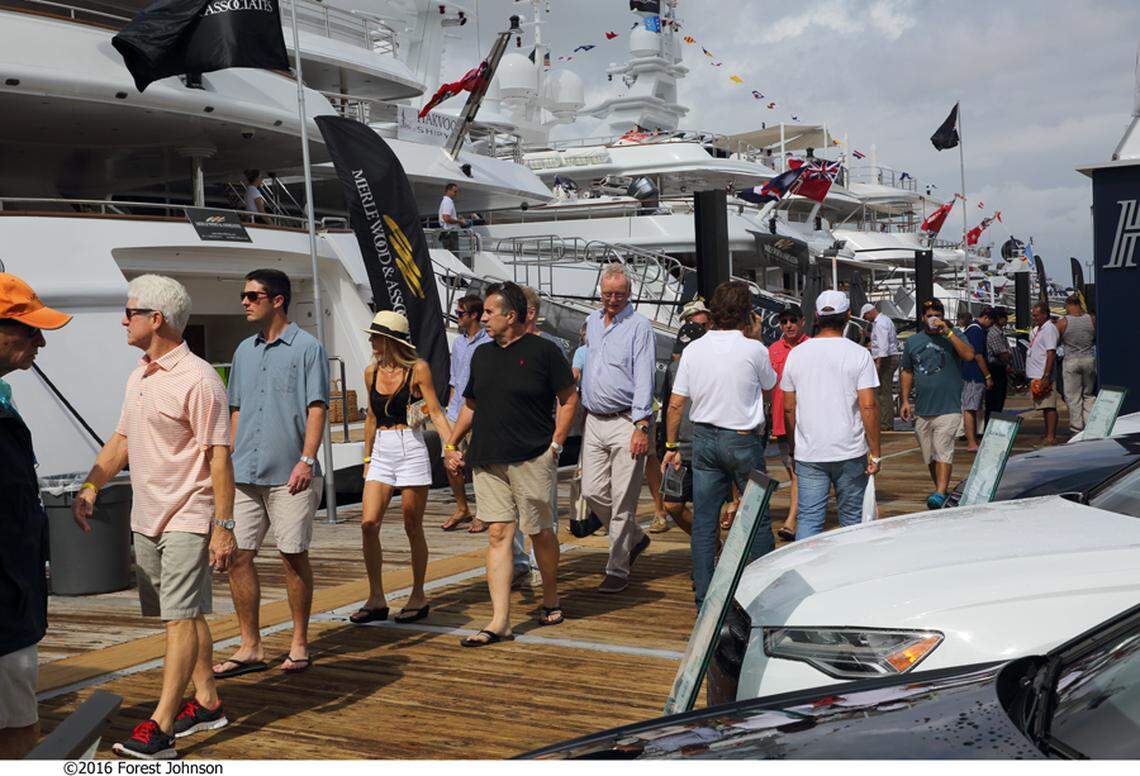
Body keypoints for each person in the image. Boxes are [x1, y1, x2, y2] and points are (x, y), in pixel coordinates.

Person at [73, 275, 235, 759]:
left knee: (179, 619)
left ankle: (161, 726)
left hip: (189, 512)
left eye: (130, 312)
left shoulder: (200, 379)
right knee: (183, 614)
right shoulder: (139, 373)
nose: (123, 320)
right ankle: (206, 700)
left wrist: (223, 528)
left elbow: (219, 457)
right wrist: (91, 485)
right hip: (147, 517)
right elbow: (121, 440)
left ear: (155, 319)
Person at [444, 282, 577, 645]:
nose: (483, 318)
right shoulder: (482, 355)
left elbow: (568, 399)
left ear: (511, 316)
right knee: (498, 533)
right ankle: (500, 620)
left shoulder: (545, 352)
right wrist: (452, 442)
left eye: (489, 312)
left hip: (533, 456)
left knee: (539, 532)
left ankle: (550, 594)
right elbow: (470, 404)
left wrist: (556, 444)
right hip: (488, 457)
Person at [212, 270, 328, 679]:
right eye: (243, 295)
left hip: (290, 472)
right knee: (238, 556)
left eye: (252, 295)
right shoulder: (244, 350)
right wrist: (226, 459)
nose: (244, 302)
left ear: (277, 300)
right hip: (245, 472)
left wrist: (307, 460)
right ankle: (251, 645)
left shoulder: (308, 348)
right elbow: (237, 409)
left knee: (292, 556)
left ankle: (299, 641)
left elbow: (317, 407)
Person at [664, 281, 777, 607]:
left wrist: (671, 447)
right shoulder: (754, 348)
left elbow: (675, 404)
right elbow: (770, 385)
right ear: (746, 314)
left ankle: (704, 600)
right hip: (742, 440)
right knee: (757, 520)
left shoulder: (693, 350)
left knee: (704, 524)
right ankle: (762, 599)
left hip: (703, 440)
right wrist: (754, 338)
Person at [0, 275, 71, 758]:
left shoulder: (4, 399)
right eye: (29, 330)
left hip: (15, 596)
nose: (40, 341)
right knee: (20, 734)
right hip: (5, 608)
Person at [349, 311, 452, 626]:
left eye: (375, 336)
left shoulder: (418, 369)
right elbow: (370, 418)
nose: (370, 341)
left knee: (412, 525)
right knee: (368, 523)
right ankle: (376, 596)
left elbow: (434, 411)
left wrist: (451, 447)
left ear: (389, 341)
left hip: (411, 447)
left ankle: (418, 594)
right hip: (382, 449)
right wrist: (366, 459)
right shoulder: (371, 372)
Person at [579, 264, 656, 594]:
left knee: (624, 500)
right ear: (600, 292)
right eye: (608, 294)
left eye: (619, 295)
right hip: (594, 419)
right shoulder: (592, 322)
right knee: (591, 490)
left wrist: (642, 425)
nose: (613, 300)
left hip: (627, 419)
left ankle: (617, 568)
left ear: (629, 294)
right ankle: (635, 538)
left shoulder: (640, 326)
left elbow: (644, 378)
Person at [781, 291, 881, 538]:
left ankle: (806, 573)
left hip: (810, 452)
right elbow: (868, 406)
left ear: (816, 316)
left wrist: (795, 447)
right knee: (852, 520)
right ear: (848, 316)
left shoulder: (796, 354)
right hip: (850, 450)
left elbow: (788, 407)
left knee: (809, 519)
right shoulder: (859, 354)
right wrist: (876, 452)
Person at [899, 298, 976, 509]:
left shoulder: (954, 335)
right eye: (930, 315)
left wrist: (949, 332)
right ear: (923, 317)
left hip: (949, 407)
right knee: (930, 456)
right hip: (923, 409)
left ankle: (941, 491)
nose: (934, 319)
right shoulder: (913, 342)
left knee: (943, 450)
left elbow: (969, 355)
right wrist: (905, 400)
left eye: (938, 315)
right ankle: (939, 491)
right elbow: (907, 371)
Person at [441, 294, 490, 533]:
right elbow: (454, 378)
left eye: (460, 313)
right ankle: (462, 507)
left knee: (477, 463)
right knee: (450, 462)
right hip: (456, 409)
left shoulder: (487, 341)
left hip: (477, 412)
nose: (457, 317)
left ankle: (483, 512)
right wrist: (451, 406)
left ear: (473, 316)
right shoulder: (458, 342)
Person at [654, 321, 707, 536]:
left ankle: (709, 552)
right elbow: (669, 406)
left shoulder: (713, 365)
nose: (681, 355)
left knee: (707, 508)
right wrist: (667, 446)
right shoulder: (673, 368)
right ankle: (710, 545)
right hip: (679, 450)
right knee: (672, 505)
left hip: (706, 445)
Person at [767, 305, 809, 542]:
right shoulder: (772, 350)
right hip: (782, 423)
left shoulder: (811, 347)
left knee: (798, 471)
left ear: (802, 321)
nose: (789, 325)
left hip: (808, 419)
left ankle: (792, 519)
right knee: (793, 469)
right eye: (784, 321)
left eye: (793, 320)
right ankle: (802, 513)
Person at [1056, 294, 1096, 434]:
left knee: (1073, 397)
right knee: (1088, 394)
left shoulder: (1063, 322)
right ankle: (1091, 426)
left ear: (1068, 305)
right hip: (1089, 359)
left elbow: (1057, 341)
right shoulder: (1091, 319)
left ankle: (1077, 428)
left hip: (1071, 360)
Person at [959, 308, 995, 452]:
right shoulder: (977, 331)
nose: (991, 325)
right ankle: (972, 442)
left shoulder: (971, 329)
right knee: (970, 408)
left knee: (971, 407)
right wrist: (988, 376)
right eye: (991, 321)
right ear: (986, 318)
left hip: (968, 373)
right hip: (974, 375)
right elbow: (978, 355)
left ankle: (972, 440)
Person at [860, 302, 898, 432]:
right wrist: (867, 335)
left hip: (885, 359)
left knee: (883, 392)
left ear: (870, 313)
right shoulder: (883, 321)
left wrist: (878, 362)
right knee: (883, 390)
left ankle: (886, 423)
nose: (866, 320)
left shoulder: (880, 323)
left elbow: (883, 345)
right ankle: (885, 421)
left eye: (865, 317)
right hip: (889, 357)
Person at [1026, 301, 1061, 445]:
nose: (1034, 318)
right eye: (1033, 315)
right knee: (1043, 407)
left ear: (1045, 314)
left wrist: (1046, 375)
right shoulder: (1040, 329)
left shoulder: (1049, 329)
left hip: (1043, 374)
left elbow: (1051, 352)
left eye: (1036, 315)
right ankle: (1047, 434)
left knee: (1049, 406)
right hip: (1037, 374)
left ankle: (1051, 436)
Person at [984, 307, 1013, 426]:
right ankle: (990, 429)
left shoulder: (999, 333)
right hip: (995, 369)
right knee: (995, 402)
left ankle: (992, 427)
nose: (1006, 320)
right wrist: (1009, 354)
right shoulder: (995, 333)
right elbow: (1002, 355)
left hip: (998, 369)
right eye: (1005, 317)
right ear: (999, 319)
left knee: (997, 402)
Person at [438, 182, 467, 252]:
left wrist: (457, 219)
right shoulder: (447, 202)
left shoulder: (446, 201)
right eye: (455, 192)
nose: (456, 194)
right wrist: (460, 221)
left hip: (448, 233)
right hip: (450, 234)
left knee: (452, 256)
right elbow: (446, 218)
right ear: (448, 191)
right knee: (454, 256)